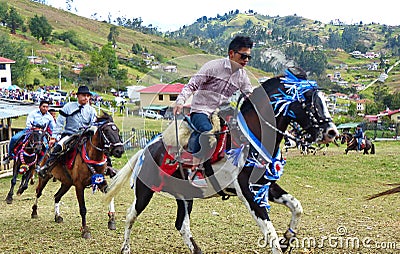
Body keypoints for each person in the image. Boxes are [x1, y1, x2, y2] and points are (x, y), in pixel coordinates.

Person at [173, 35, 254, 188]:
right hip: (200, 110)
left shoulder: (243, 76)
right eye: (243, 56)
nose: (246, 60)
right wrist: (180, 101)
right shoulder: (213, 67)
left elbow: (249, 95)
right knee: (207, 131)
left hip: (223, 111)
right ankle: (195, 170)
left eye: (249, 57)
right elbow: (192, 85)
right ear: (231, 53)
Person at [37, 86, 97, 178]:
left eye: (88, 96)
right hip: (70, 135)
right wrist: (53, 137)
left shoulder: (92, 110)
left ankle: (106, 167)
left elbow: (93, 124)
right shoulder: (68, 107)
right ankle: (46, 166)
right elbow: (60, 123)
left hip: (85, 136)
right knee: (59, 147)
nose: (86, 98)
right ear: (78, 96)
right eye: (84, 95)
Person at [3, 100, 55, 164]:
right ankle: (9, 155)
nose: (45, 108)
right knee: (14, 138)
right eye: (43, 106)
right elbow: (28, 123)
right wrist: (33, 128)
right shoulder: (33, 113)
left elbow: (53, 127)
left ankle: (39, 163)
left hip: (41, 134)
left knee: (46, 146)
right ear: (39, 107)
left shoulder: (49, 117)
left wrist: (54, 136)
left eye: (47, 107)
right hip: (30, 131)